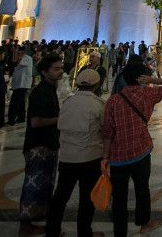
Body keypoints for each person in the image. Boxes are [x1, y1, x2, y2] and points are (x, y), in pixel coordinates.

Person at [102, 61, 162, 236]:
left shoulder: (113, 101)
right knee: (142, 188)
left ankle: (119, 231)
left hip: (118, 157)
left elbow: (107, 132)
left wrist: (105, 157)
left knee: (119, 197)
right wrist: (152, 79)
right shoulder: (147, 94)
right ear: (141, 78)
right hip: (141, 152)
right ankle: (144, 223)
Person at [46, 69, 105, 237]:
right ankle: (84, 232)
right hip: (90, 157)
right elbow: (105, 129)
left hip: (67, 157)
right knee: (87, 198)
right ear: (97, 84)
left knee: (60, 196)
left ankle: (52, 230)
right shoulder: (98, 104)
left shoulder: (67, 102)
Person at [19, 54, 63, 236]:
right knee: (34, 186)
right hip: (39, 146)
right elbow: (35, 122)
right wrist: (60, 120)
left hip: (49, 144)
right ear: (44, 72)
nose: (60, 72)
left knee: (44, 186)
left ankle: (34, 223)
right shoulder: (40, 92)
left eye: (61, 68)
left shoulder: (51, 90)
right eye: (56, 69)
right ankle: (26, 226)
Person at [8, 46, 34, 125]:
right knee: (21, 101)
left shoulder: (27, 59)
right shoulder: (24, 58)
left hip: (22, 84)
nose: (18, 54)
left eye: (19, 52)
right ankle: (21, 118)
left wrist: (16, 55)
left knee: (15, 102)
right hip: (20, 83)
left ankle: (11, 119)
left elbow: (19, 64)